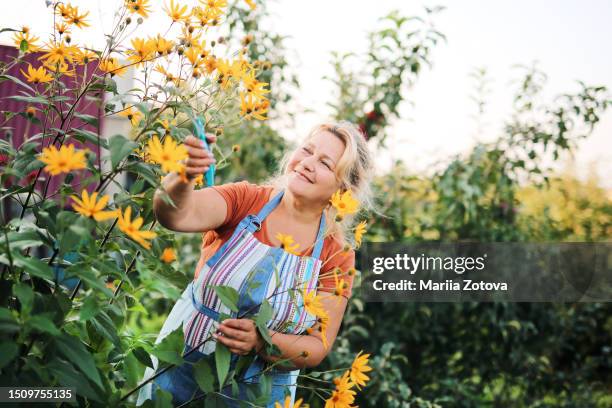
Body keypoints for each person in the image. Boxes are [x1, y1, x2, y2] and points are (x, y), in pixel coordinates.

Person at [136, 121, 374, 407]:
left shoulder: (336, 254)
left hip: (259, 392)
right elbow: (175, 215)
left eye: (325, 163)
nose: (307, 163)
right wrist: (183, 177)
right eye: (307, 150)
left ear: (344, 189)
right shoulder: (246, 200)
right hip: (180, 367)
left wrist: (262, 341)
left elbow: (316, 346)